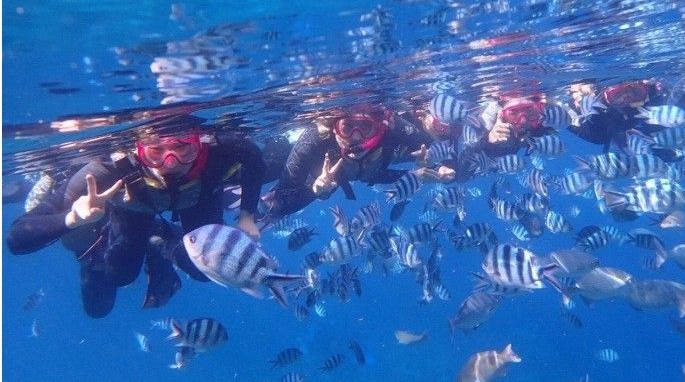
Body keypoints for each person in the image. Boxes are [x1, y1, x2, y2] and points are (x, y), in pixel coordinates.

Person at [6, 114, 266, 318]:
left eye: (182, 148)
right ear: (137, 149)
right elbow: (17, 238)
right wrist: (72, 219)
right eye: (155, 151)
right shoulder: (108, 169)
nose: (170, 162)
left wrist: (247, 216)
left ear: (201, 144)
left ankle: (163, 241)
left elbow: (255, 159)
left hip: (197, 200)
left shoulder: (223, 149)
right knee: (118, 279)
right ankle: (141, 238)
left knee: (204, 271)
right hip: (134, 209)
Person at [261, 107, 454, 222]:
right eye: (347, 128)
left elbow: (446, 155)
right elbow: (280, 202)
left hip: (378, 166)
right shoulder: (315, 140)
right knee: (269, 171)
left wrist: (440, 167)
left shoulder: (395, 128)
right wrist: (314, 190)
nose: (356, 138)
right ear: (335, 130)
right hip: (312, 172)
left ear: (379, 128)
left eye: (366, 128)